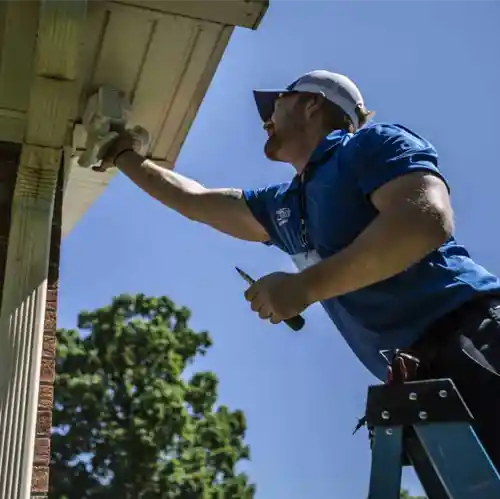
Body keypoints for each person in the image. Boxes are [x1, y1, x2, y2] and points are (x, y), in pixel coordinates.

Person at [100, 70, 500, 471]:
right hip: (421, 380)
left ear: (312, 103)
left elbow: (423, 220)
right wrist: (124, 155)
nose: (265, 118)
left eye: (277, 101)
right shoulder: (286, 206)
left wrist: (304, 287)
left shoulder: (369, 145)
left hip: (475, 333)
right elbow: (195, 200)